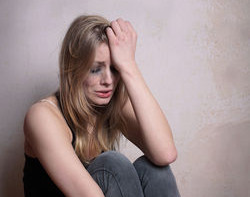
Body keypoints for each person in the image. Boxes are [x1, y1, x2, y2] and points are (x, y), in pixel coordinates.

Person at [23, 15, 180, 197]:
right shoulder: (42, 116)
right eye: (96, 69)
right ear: (73, 70)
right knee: (112, 165)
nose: (108, 81)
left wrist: (129, 65)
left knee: (154, 169)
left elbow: (165, 154)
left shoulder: (113, 102)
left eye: (114, 69)